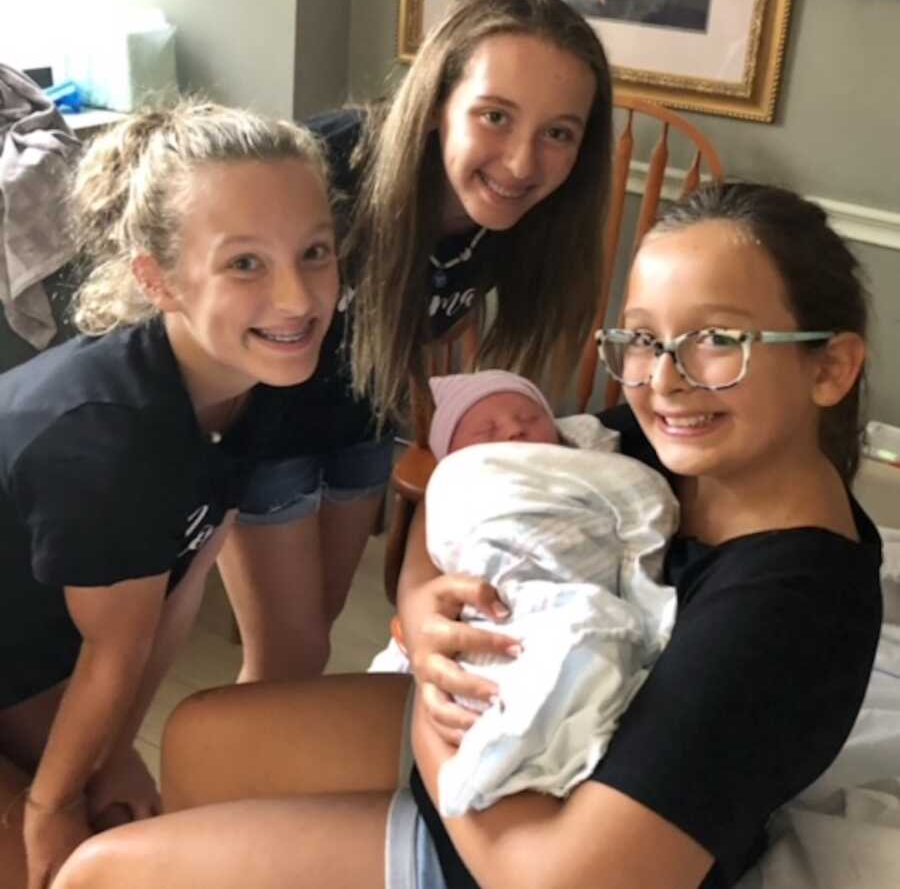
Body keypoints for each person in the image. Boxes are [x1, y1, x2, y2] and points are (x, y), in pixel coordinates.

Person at [52, 178, 882, 889]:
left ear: (830, 367)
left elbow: (566, 877)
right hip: (509, 734)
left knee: (101, 872)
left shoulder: (787, 606)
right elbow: (474, 482)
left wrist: (434, 734)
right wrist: (421, 607)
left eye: (718, 341)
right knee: (199, 734)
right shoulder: (658, 452)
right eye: (642, 337)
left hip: (525, 844)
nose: (662, 379)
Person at [217, 0, 614, 682]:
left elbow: (434, 318)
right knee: (287, 655)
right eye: (495, 115)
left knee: (321, 628)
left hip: (361, 420)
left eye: (558, 133)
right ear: (436, 106)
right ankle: (242, 787)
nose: (522, 162)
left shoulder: (521, 216)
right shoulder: (324, 169)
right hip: (261, 428)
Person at [0, 101, 340, 889]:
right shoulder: (104, 438)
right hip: (34, 652)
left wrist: (112, 758)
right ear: (158, 279)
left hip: (32, 649)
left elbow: (178, 588)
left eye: (315, 251)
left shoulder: (264, 380)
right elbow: (113, 647)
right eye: (246, 263)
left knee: (118, 828)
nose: (297, 298)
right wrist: (50, 807)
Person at [372, 369, 677, 819]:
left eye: (528, 417)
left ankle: (505, 752)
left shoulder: (597, 459)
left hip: (573, 593)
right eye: (486, 430)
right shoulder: (465, 477)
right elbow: (446, 510)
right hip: (482, 612)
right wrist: (418, 602)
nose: (514, 430)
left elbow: (641, 503)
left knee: (582, 642)